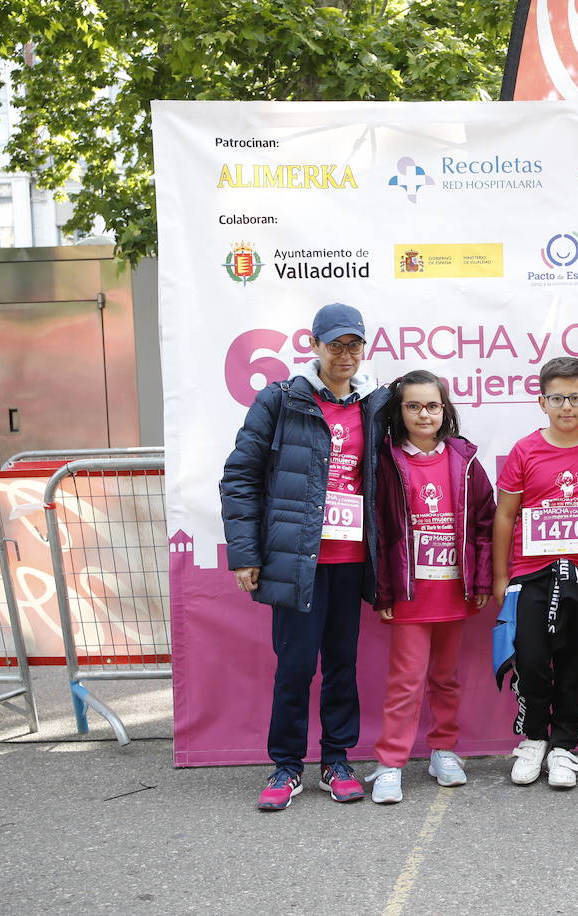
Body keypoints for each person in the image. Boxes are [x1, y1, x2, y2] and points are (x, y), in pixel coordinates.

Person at [220, 302, 391, 811]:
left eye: (353, 345)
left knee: (343, 664)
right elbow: (240, 477)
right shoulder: (280, 400)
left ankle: (337, 760)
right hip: (297, 560)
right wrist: (244, 555)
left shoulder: (374, 405)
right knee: (294, 666)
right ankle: (286, 766)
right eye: (334, 344)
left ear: (364, 348)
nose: (345, 354)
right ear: (313, 346)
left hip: (352, 560)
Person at [366, 370, 495, 804]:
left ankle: (443, 750)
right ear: (399, 412)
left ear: (445, 410)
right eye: (414, 406)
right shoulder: (386, 462)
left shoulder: (464, 460)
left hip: (453, 592)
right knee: (405, 681)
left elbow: (483, 522)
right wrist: (383, 591)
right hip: (409, 594)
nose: (425, 414)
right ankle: (390, 762)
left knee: (446, 678)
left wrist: (479, 578)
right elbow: (380, 531)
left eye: (433, 405)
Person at [491, 356, 578, 789]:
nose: (567, 406)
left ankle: (564, 745)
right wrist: (500, 577)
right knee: (529, 657)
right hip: (532, 573)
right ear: (542, 402)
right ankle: (533, 739)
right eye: (558, 398)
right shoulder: (526, 451)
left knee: (573, 660)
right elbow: (505, 516)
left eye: (576, 397)